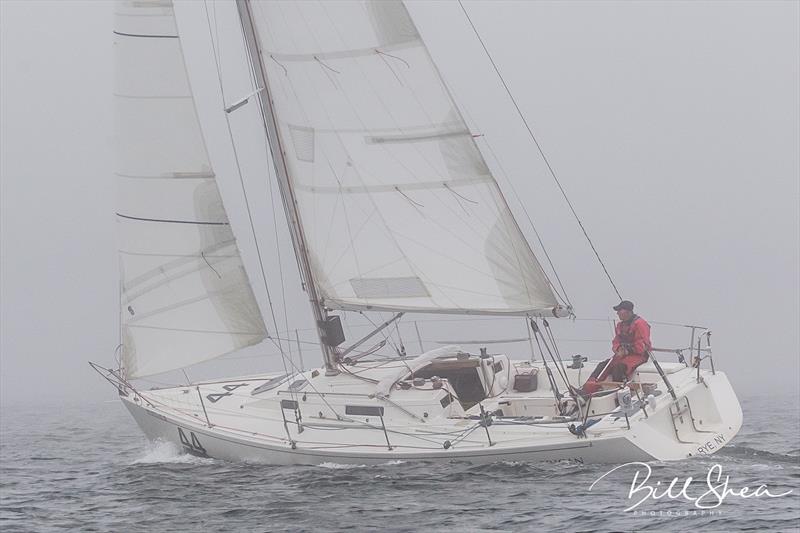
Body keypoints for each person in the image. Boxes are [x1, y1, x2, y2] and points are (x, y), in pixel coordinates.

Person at [581, 300, 651, 395]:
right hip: (622, 354)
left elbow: (643, 345)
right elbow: (616, 341)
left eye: (619, 310)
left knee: (619, 368)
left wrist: (627, 351)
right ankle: (586, 391)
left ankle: (620, 395)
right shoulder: (620, 325)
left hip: (638, 356)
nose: (617, 313)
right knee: (603, 365)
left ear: (628, 311)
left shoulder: (640, 324)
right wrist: (618, 349)